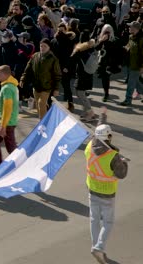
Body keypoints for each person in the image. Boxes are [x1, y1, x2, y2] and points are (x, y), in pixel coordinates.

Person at [85, 109, 128, 264]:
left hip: (92, 188)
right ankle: (99, 247)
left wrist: (102, 117)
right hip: (107, 193)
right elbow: (121, 174)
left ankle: (95, 246)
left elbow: (99, 131)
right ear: (109, 137)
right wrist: (122, 162)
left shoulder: (90, 146)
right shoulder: (112, 155)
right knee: (108, 222)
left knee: (94, 220)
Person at [20, 38, 61, 119]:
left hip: (46, 86)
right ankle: (44, 117)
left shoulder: (53, 59)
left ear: (49, 47)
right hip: (36, 86)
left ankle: (43, 124)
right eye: (41, 46)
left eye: (45, 46)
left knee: (40, 104)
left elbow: (57, 75)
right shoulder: (35, 56)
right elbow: (28, 69)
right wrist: (22, 79)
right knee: (39, 106)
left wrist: (56, 89)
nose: (42, 48)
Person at [0, 66, 19, 167]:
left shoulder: (7, 88)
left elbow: (8, 108)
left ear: (4, 74)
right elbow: (4, 105)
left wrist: (3, 126)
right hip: (7, 121)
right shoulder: (11, 86)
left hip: (7, 123)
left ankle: (19, 166)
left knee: (11, 148)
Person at [70, 31, 98, 121]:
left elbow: (72, 58)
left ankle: (90, 113)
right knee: (81, 93)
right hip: (88, 74)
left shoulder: (80, 49)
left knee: (80, 93)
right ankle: (85, 112)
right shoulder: (91, 48)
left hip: (82, 75)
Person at [51, 23, 76, 111]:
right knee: (54, 84)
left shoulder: (68, 41)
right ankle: (50, 103)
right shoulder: (54, 40)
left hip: (64, 67)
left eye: (62, 30)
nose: (60, 31)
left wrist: (67, 67)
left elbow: (70, 55)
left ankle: (70, 103)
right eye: (59, 29)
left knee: (66, 85)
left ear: (65, 30)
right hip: (55, 66)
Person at [96, 24, 122, 102]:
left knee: (106, 78)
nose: (107, 33)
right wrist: (101, 41)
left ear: (111, 31)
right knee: (104, 79)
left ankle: (106, 94)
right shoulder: (100, 39)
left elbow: (119, 53)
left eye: (108, 31)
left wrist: (119, 63)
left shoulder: (115, 40)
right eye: (105, 31)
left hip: (110, 63)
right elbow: (96, 48)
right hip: (102, 62)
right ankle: (106, 93)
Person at [120, 21, 143, 106]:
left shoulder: (141, 39)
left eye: (131, 27)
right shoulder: (131, 37)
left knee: (131, 83)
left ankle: (128, 99)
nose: (129, 28)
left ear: (136, 29)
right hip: (130, 63)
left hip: (137, 65)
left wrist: (142, 67)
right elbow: (128, 47)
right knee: (136, 82)